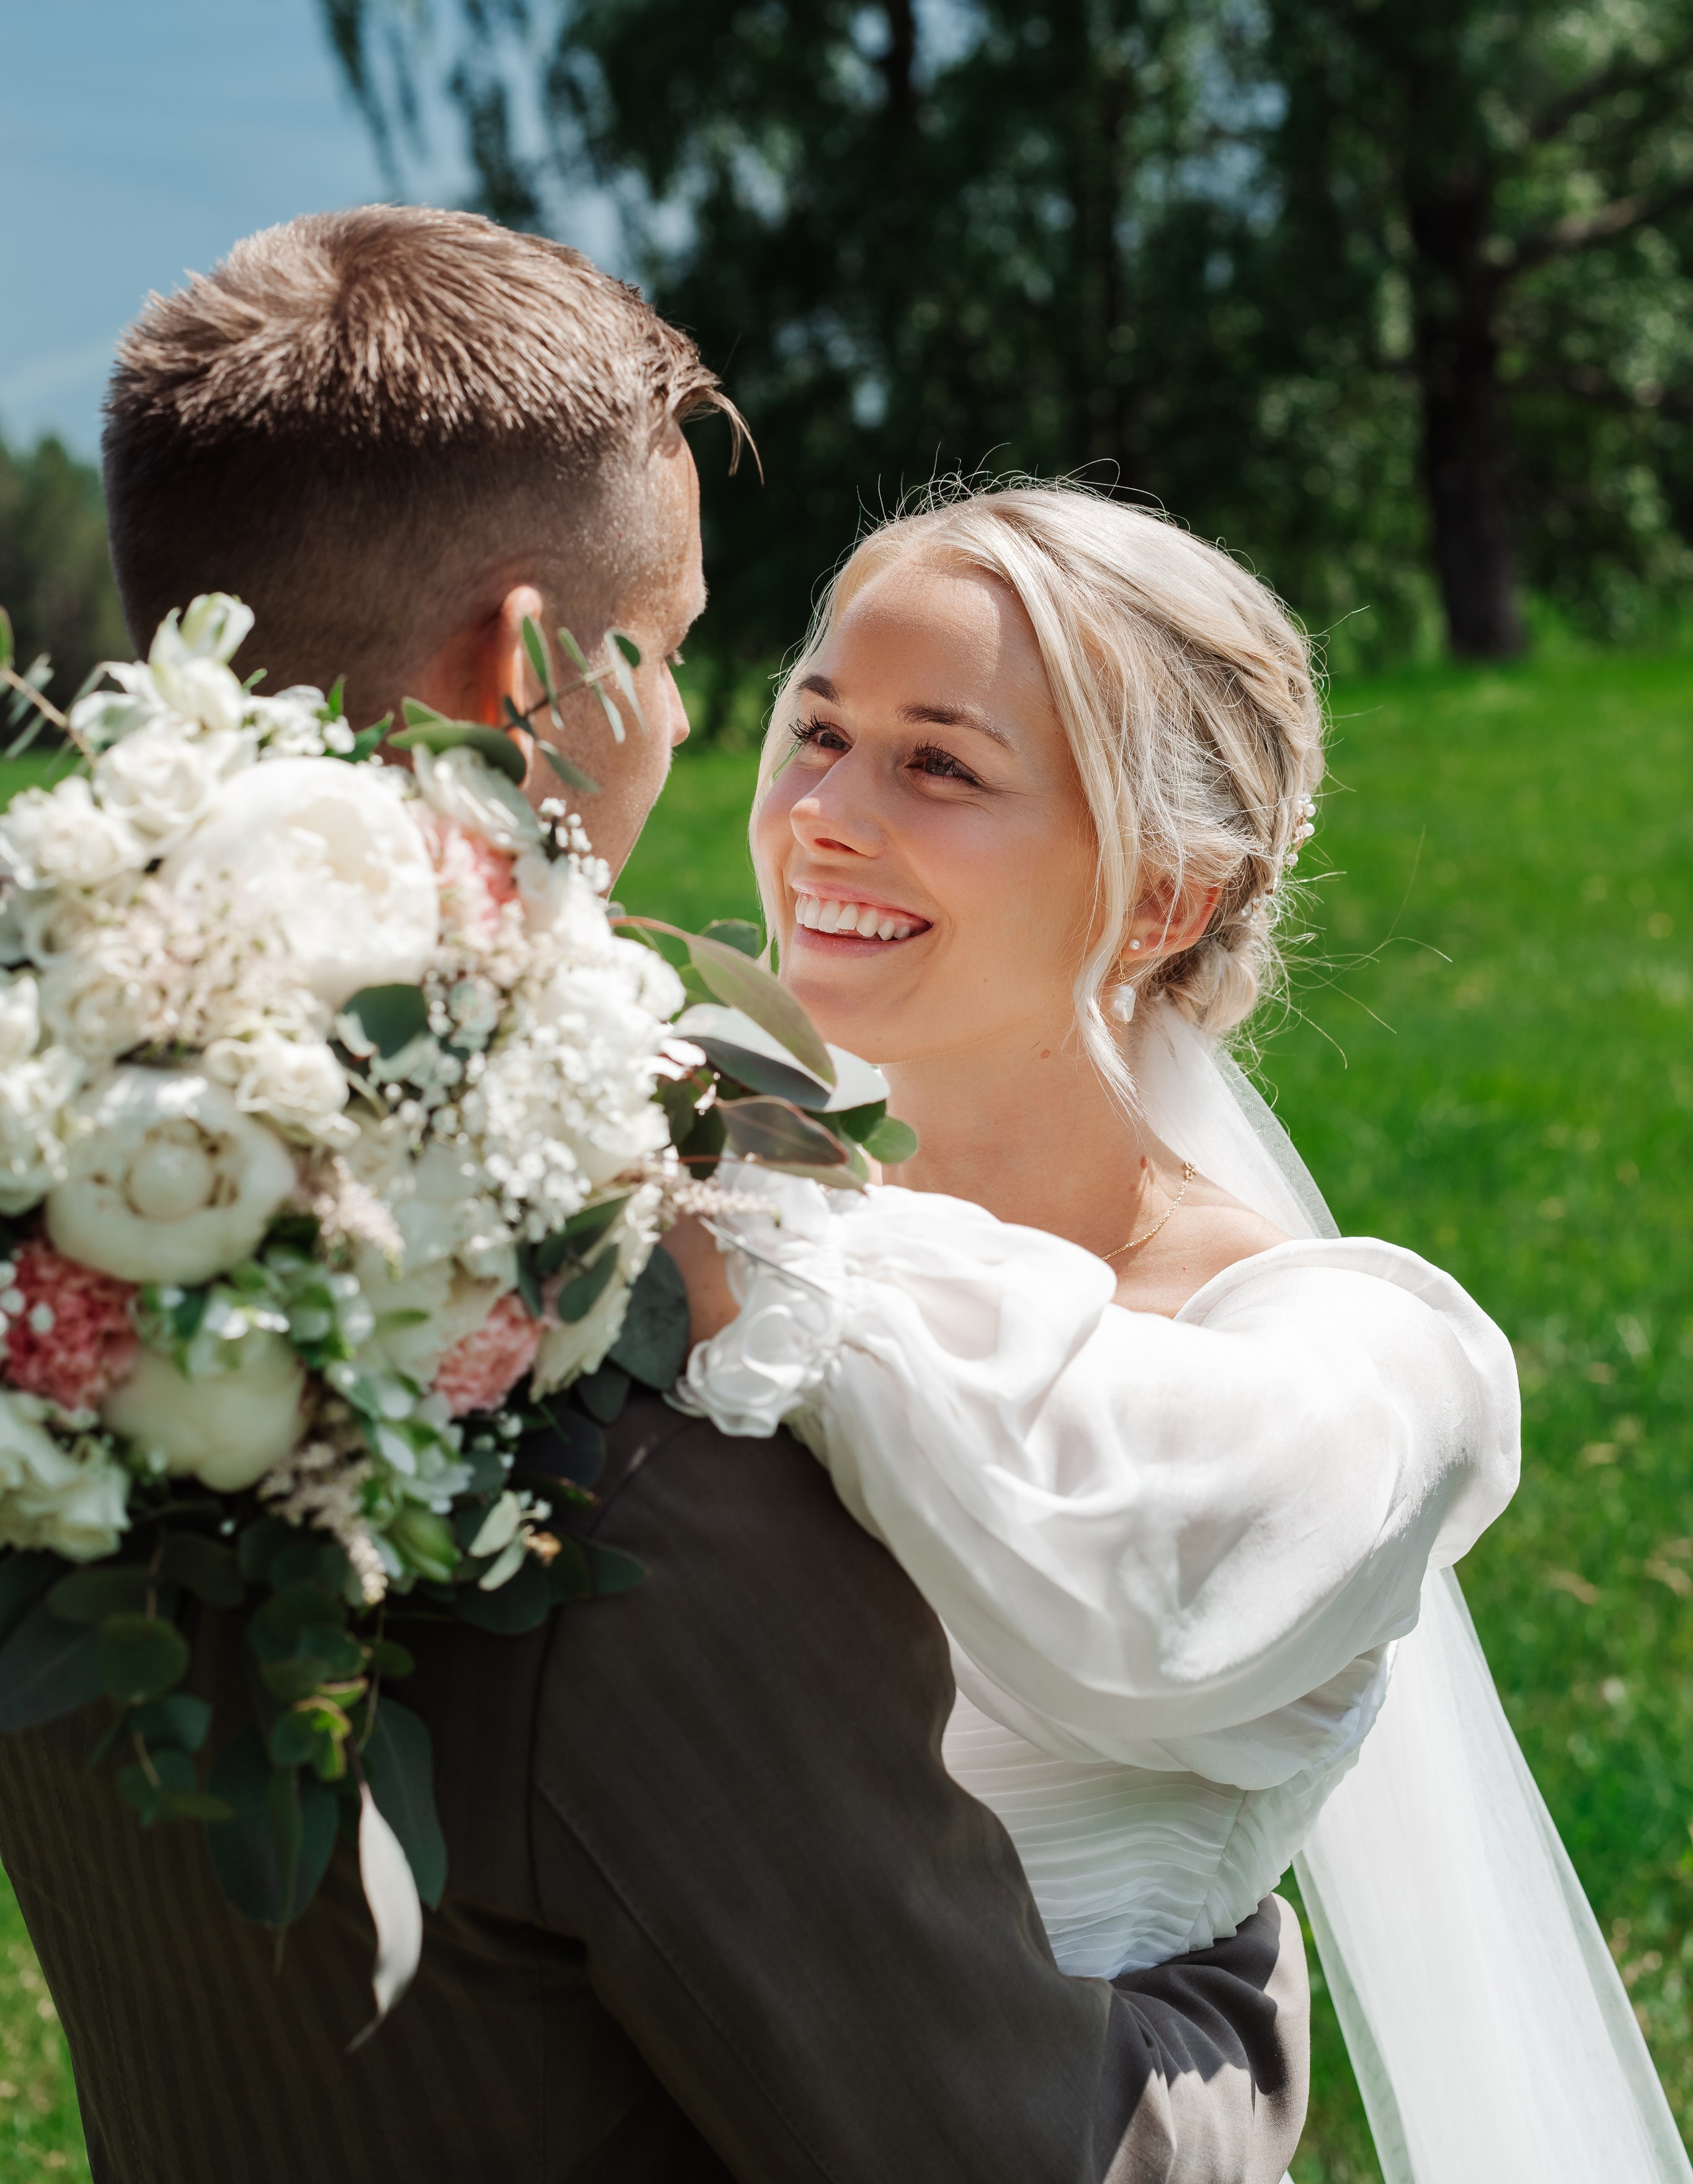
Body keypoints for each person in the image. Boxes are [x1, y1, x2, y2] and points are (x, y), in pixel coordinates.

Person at [0, 213, 1312, 2184]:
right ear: (534, 666)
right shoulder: (621, 1451)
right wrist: (1211, 1924)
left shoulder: (58, 1221)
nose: (707, 730)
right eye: (681, 646)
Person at [673, 483, 1693, 2184]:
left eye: (938, 767)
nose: (823, 819)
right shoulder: (697, 1161)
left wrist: (726, 1241)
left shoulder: (1355, 1367)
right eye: (819, 734)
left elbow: (1132, 1584)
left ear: (1159, 897)